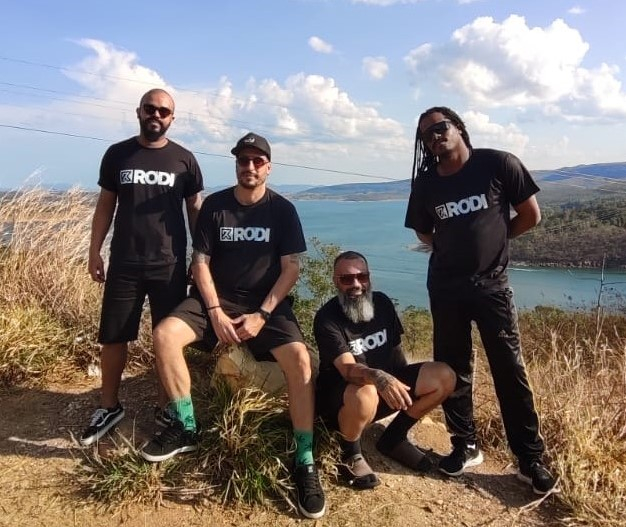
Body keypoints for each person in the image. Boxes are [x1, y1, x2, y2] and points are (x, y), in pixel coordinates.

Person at [139, 132, 326, 519]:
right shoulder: (216, 206)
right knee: (164, 335)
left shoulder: (282, 210)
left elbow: (291, 268)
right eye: (244, 160)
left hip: (265, 306)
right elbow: (200, 263)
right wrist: (213, 311)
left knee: (301, 361)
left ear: (268, 167)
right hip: (216, 301)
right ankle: (186, 427)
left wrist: (263, 315)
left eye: (258, 161)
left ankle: (305, 459)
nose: (250, 166)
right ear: (237, 165)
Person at [404, 106, 557, 495]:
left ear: (459, 127)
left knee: (509, 370)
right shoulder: (426, 183)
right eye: (426, 134)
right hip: (446, 288)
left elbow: (531, 215)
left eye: (441, 127)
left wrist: (495, 241)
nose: (435, 136)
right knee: (453, 369)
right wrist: (454, 247)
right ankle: (465, 445)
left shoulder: (498, 164)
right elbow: (424, 232)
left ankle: (529, 459)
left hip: (492, 287)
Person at [80, 89, 204, 446]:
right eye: (150, 108)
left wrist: (199, 257)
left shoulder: (184, 159)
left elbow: (195, 209)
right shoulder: (117, 154)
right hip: (124, 262)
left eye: (164, 111)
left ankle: (166, 407)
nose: (156, 115)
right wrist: (94, 251)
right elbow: (106, 205)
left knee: (167, 338)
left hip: (169, 265)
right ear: (139, 112)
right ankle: (109, 406)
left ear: (172, 118)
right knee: (113, 336)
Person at [314, 251, 456, 489]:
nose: (356, 284)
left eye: (362, 276)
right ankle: (350, 453)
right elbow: (348, 369)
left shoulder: (382, 303)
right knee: (366, 392)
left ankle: (394, 438)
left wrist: (406, 390)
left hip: (381, 391)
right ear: (336, 281)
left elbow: (396, 352)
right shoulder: (327, 318)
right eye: (347, 279)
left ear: (369, 278)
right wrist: (378, 376)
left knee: (444, 376)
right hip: (344, 402)